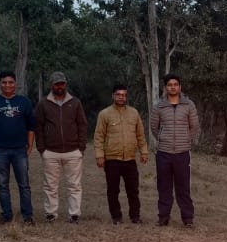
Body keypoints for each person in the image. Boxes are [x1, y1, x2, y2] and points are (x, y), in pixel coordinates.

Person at [0, 70, 35, 224]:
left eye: (10, 82)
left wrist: (30, 146)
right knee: (2, 184)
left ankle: (27, 216)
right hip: (0, 150)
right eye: (4, 82)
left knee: (24, 185)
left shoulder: (24, 102)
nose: (7, 85)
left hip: (20, 150)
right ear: (0, 84)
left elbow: (31, 127)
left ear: (15, 84)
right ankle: (6, 215)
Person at [35, 71, 87, 223]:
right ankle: (51, 214)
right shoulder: (43, 103)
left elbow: (82, 125)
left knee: (74, 185)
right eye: (56, 84)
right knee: (50, 186)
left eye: (62, 83)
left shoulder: (75, 102)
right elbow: (38, 127)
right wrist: (42, 149)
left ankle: (74, 214)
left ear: (66, 84)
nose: (60, 86)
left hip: (73, 151)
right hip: (50, 152)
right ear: (51, 85)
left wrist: (81, 147)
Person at [149, 73, 200, 227]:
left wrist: (185, 139)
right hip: (164, 153)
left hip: (182, 153)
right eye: (170, 85)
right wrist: (163, 138)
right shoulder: (159, 106)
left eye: (175, 84)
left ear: (180, 87)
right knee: (164, 186)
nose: (173, 87)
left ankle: (188, 218)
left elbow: (194, 126)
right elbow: (154, 127)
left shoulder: (189, 105)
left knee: (183, 187)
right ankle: (163, 217)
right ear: (165, 87)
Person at [93, 83, 148, 224]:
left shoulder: (134, 113)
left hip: (130, 159)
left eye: (124, 95)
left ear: (126, 97)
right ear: (113, 96)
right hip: (112, 159)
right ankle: (116, 217)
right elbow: (99, 137)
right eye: (118, 94)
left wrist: (144, 152)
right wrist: (100, 156)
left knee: (133, 190)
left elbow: (140, 135)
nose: (121, 97)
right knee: (113, 191)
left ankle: (135, 216)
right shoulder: (104, 114)